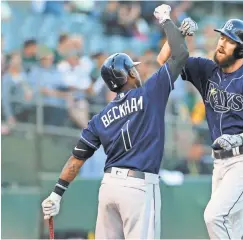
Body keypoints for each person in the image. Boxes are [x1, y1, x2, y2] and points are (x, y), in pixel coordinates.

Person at [41, 4, 189, 239]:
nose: (138, 72)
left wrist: (56, 193)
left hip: (109, 187)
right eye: (135, 69)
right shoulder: (149, 93)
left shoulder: (99, 118)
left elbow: (76, 159)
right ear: (130, 74)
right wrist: (165, 21)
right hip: (138, 187)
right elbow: (181, 55)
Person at [158, 18, 243, 239]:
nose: (221, 43)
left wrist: (240, 138)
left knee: (214, 216)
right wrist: (177, 34)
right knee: (231, 229)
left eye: (229, 40)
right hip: (220, 162)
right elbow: (164, 60)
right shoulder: (207, 70)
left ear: (241, 50)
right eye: (221, 37)